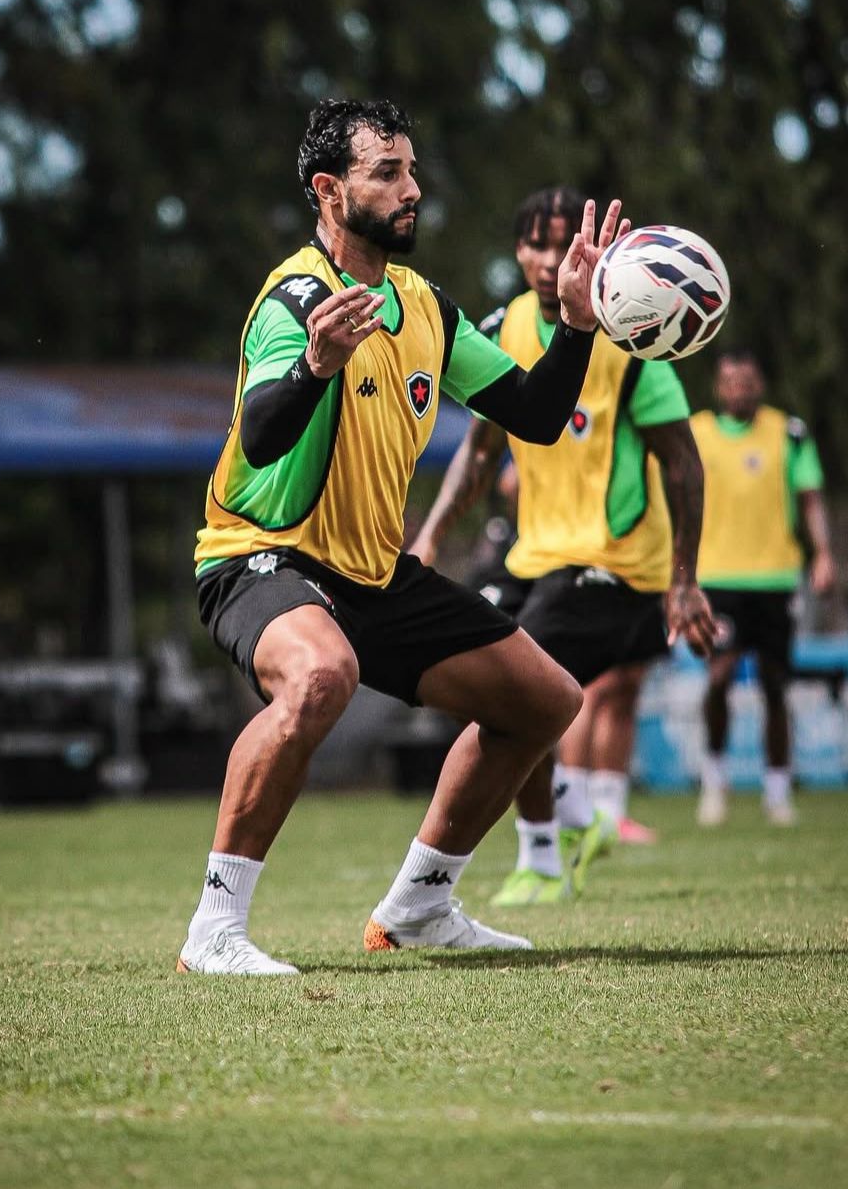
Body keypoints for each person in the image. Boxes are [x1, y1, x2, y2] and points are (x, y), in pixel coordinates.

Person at [178, 99, 627, 974]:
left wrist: (577, 326)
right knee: (322, 674)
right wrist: (315, 366)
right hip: (259, 556)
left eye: (411, 170)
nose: (411, 189)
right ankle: (214, 928)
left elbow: (535, 415)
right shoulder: (296, 297)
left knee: (545, 700)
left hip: (371, 573)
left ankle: (420, 904)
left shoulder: (424, 306)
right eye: (386, 173)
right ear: (328, 191)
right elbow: (261, 435)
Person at [411, 185, 715, 903]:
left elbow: (682, 462)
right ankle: (577, 815)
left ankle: (543, 855)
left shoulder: (630, 334)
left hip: (614, 564)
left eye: (563, 244)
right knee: (456, 672)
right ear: (517, 253)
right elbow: (480, 453)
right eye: (536, 244)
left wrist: (684, 579)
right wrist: (428, 537)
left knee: (514, 693)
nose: (551, 260)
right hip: (534, 555)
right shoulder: (501, 327)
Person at [691, 350, 837, 827]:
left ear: (761, 385)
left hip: (775, 578)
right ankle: (714, 780)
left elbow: (810, 498)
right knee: (719, 678)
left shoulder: (787, 433)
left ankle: (777, 790)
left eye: (748, 380)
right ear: (719, 388)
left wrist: (823, 553)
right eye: (731, 381)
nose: (740, 388)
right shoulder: (697, 432)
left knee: (775, 684)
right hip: (718, 578)